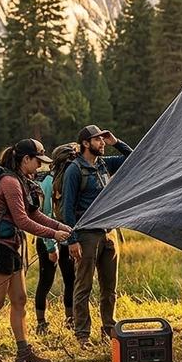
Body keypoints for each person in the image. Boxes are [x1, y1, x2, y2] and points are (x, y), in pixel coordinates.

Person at [0, 139, 72, 362]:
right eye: (37, 161)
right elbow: (23, 220)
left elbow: (35, 213)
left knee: (19, 299)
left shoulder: (22, 180)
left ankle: (24, 353)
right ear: (25, 159)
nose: (40, 166)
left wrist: (60, 226)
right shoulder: (10, 182)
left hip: (12, 247)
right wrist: (53, 235)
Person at [64, 125, 132, 344]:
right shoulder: (74, 170)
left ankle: (109, 331)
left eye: (103, 140)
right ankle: (82, 335)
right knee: (83, 286)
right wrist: (72, 240)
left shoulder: (104, 164)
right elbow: (67, 208)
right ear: (86, 143)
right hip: (86, 235)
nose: (102, 143)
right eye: (98, 140)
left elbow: (134, 158)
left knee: (109, 288)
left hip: (108, 233)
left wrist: (116, 142)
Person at [32, 144, 78, 334]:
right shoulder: (50, 182)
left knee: (71, 280)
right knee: (46, 280)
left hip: (66, 238)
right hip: (48, 240)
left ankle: (70, 320)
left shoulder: (66, 180)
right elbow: (47, 213)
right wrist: (51, 247)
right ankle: (41, 323)